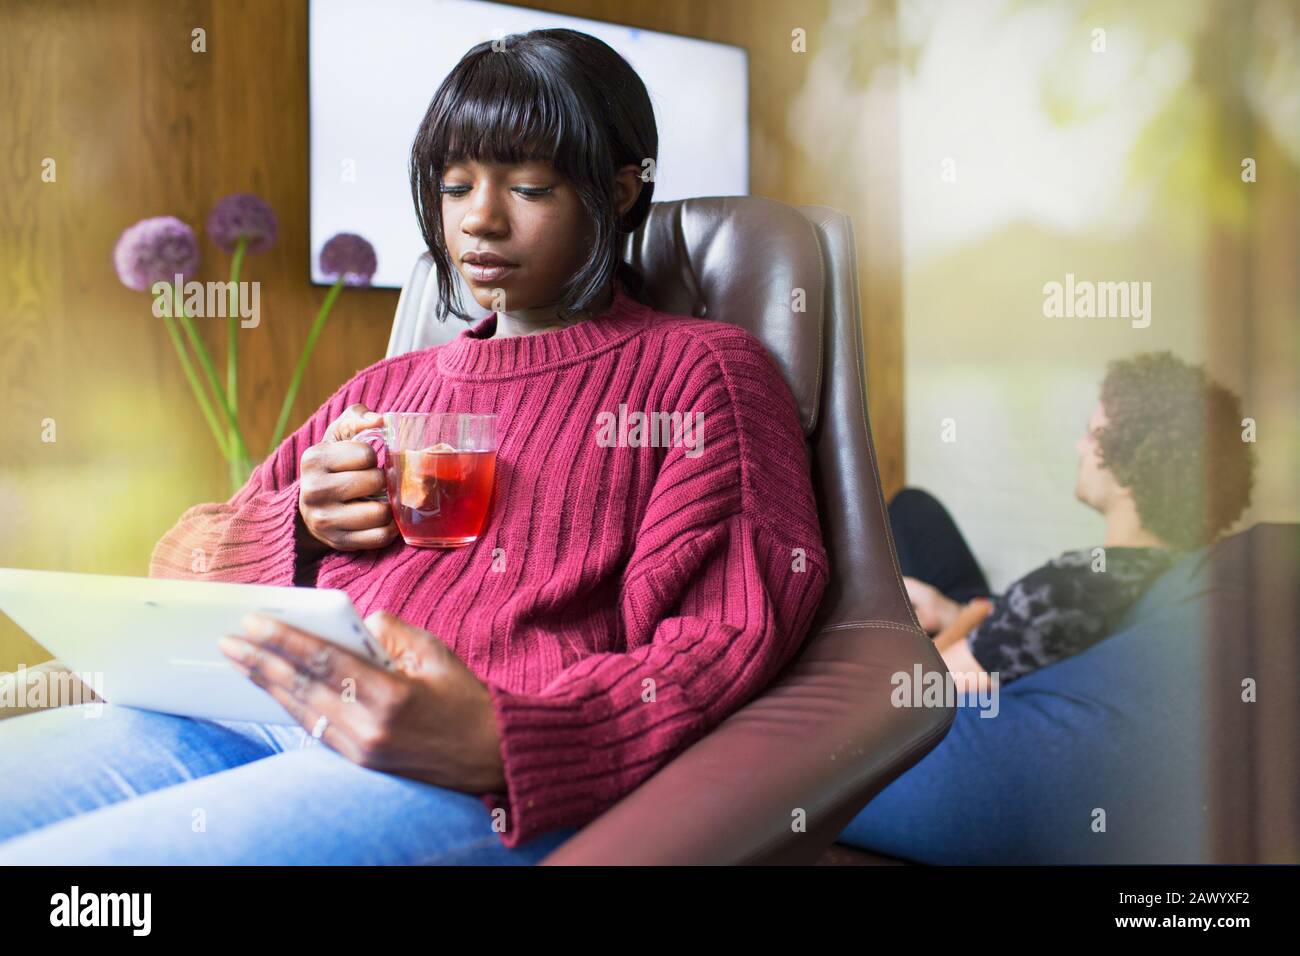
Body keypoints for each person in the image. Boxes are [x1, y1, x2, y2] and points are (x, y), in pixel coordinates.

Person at [0, 28, 828, 865]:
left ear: (617, 192)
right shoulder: (385, 388)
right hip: (249, 719)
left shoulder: (704, 374)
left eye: (530, 186)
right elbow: (175, 567)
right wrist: (297, 525)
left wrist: (507, 741)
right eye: (456, 183)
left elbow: (718, 641)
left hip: (452, 770)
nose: (480, 218)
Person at [891, 351, 1255, 695]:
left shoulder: (1067, 589)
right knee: (913, 508)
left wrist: (960, 624)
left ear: (1130, 473)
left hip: (961, 656)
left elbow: (917, 692)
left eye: (1094, 435)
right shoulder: (1174, 570)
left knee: (902, 519)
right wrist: (952, 610)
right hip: (990, 625)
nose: (1079, 447)